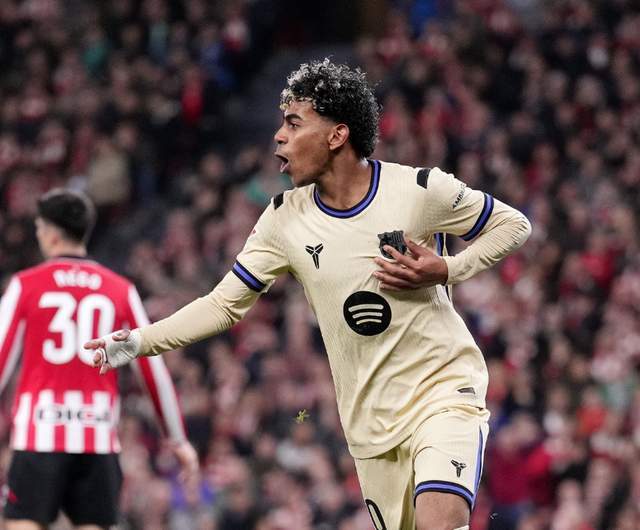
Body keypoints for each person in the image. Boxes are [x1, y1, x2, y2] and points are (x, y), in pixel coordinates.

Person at [87, 59, 531, 530]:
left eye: (294, 123)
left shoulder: (419, 190)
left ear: (337, 135)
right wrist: (139, 341)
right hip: (370, 425)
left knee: (439, 520)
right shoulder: (283, 219)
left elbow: (513, 225)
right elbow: (222, 305)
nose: (279, 136)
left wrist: (447, 269)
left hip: (443, 391)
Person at [0, 189, 198, 530]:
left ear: (51, 232)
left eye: (39, 228)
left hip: (39, 435)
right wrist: (177, 439)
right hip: (97, 437)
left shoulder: (26, 285)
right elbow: (152, 370)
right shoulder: (120, 290)